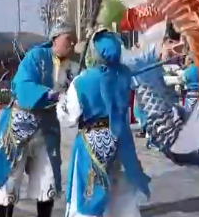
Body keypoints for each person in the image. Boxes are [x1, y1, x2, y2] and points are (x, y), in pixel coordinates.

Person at [0, 22, 81, 217]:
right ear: (55, 38)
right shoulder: (36, 56)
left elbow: (80, 89)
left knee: (47, 181)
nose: (72, 44)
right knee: (10, 180)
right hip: (20, 126)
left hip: (47, 129)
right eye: (68, 39)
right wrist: (52, 95)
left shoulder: (73, 66)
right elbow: (23, 85)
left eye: (74, 40)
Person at [57, 29, 151, 217]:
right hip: (121, 140)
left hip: (91, 143)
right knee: (122, 197)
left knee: (87, 198)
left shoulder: (82, 81)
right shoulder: (124, 76)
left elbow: (68, 118)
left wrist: (62, 101)